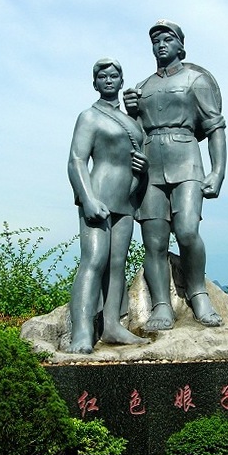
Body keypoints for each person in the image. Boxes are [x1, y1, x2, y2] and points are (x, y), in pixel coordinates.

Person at [123, 20, 226, 331]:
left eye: (167, 39)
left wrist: (218, 171)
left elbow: (215, 126)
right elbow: (133, 134)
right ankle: (161, 305)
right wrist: (131, 114)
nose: (161, 45)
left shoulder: (196, 80)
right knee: (153, 242)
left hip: (186, 161)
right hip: (150, 167)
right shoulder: (142, 87)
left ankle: (198, 294)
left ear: (181, 46)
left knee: (187, 231)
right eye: (156, 41)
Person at [67, 58, 150, 353]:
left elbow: (141, 158)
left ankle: (112, 324)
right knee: (94, 260)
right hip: (99, 194)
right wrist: (87, 198)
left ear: (121, 80)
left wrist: (143, 167)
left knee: (117, 264)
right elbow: (76, 160)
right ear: (95, 83)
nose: (108, 80)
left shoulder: (131, 122)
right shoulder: (89, 117)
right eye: (102, 76)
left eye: (114, 75)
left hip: (125, 200)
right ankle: (81, 331)